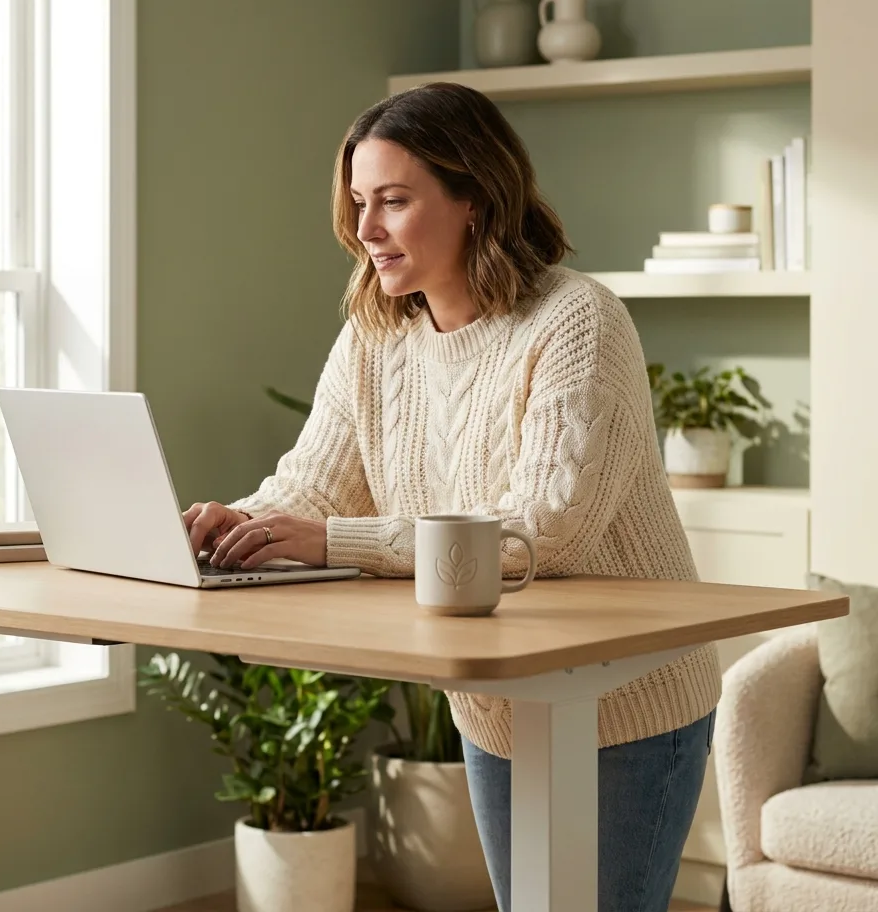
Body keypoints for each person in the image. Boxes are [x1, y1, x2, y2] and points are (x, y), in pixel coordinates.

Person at [184, 82, 722, 912]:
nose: (365, 230)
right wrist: (240, 522)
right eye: (360, 202)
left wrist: (329, 541)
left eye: (393, 201)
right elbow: (312, 487)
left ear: (474, 197)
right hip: (497, 700)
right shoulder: (376, 333)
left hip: (626, 703)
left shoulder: (578, 322)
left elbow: (539, 534)